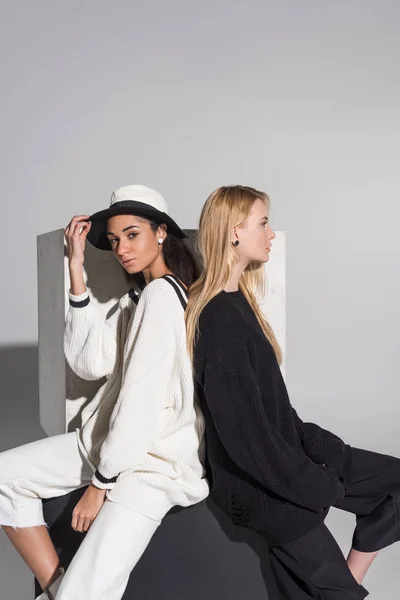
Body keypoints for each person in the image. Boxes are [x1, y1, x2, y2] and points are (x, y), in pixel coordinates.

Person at [186, 184, 400, 599]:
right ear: (234, 233)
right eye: (263, 223)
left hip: (288, 462)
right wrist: (316, 486)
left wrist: (327, 452)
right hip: (264, 491)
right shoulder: (219, 321)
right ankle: (344, 588)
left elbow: (277, 413)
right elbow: (247, 440)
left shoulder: (238, 301)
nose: (271, 234)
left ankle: (349, 578)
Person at [0, 184, 208, 600]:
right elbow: (89, 362)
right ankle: (59, 588)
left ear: (161, 233)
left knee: (90, 591)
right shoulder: (138, 299)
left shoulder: (163, 298)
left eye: (133, 234)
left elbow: (142, 397)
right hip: (105, 442)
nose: (122, 249)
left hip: (152, 462)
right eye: (114, 240)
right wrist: (76, 269)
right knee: (6, 477)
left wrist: (101, 484)